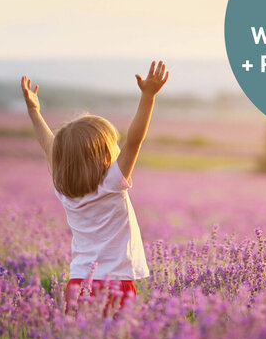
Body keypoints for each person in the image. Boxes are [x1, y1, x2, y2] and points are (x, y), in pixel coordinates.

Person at [20, 61, 169, 317]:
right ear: (102, 154)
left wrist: (34, 111)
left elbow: (48, 146)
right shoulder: (112, 183)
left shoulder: (63, 187)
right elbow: (135, 140)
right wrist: (148, 97)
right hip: (114, 284)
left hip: (78, 282)